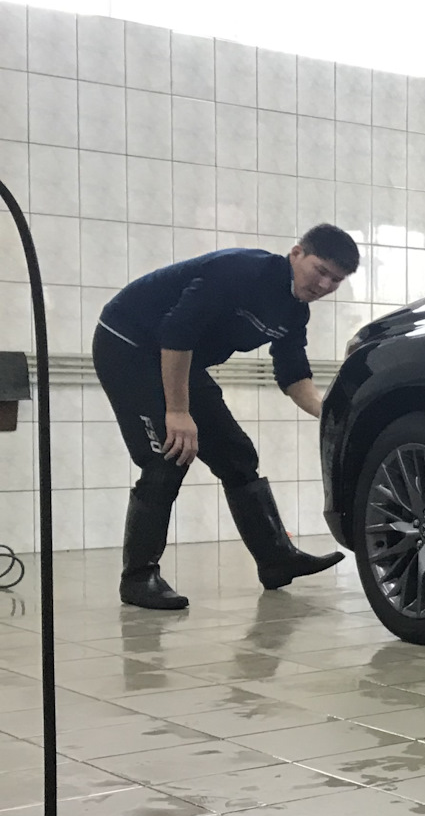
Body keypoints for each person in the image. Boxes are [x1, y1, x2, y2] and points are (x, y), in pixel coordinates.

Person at [93, 225, 360, 610]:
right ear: (296, 253)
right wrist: (178, 411)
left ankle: (276, 559)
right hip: (129, 345)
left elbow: (293, 374)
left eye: (335, 280)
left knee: (237, 455)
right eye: (320, 270)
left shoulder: (294, 311)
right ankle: (137, 578)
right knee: (167, 456)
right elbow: (177, 331)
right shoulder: (241, 271)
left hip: (178, 358)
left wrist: (331, 414)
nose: (324, 285)